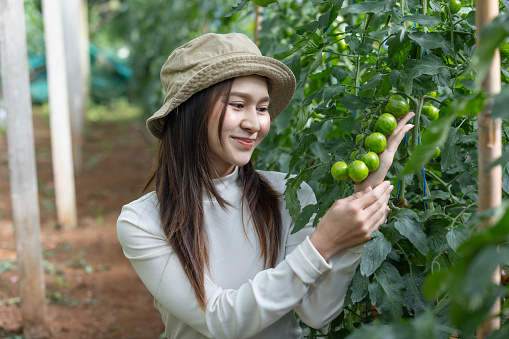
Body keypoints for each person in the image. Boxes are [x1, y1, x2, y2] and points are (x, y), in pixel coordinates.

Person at [117, 32, 414, 339]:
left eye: (261, 108)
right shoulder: (143, 222)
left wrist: (362, 202)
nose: (254, 123)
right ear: (191, 111)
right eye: (237, 105)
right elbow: (221, 322)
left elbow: (318, 312)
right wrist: (323, 243)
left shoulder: (289, 194)